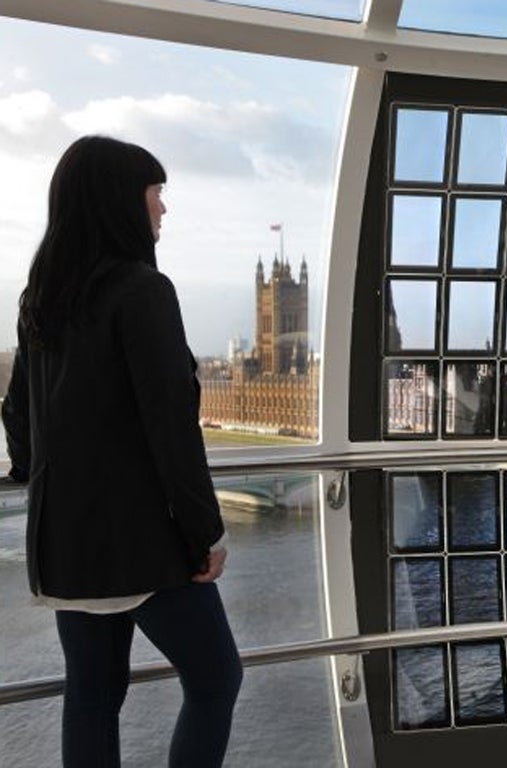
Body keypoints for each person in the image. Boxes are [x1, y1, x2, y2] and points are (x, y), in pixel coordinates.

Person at [2, 135, 242, 767]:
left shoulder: (41, 299)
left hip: (63, 546)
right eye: (156, 192)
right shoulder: (141, 290)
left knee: (93, 694)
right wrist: (205, 536)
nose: (163, 208)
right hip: (140, 547)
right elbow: (172, 428)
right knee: (217, 678)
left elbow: (19, 416)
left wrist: (29, 471)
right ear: (120, 200)